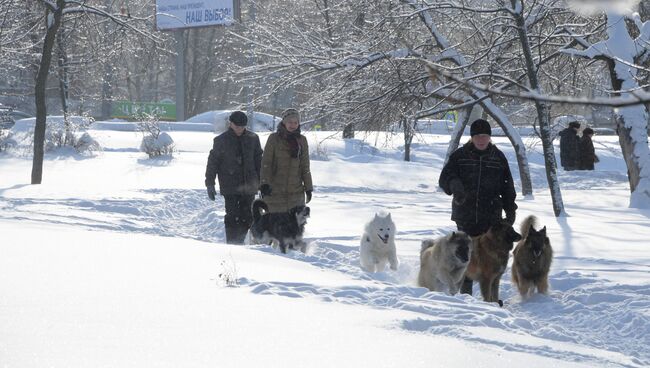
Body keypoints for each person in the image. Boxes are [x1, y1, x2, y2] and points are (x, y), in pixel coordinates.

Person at [438, 118, 517, 295]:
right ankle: (466, 296)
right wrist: (455, 186)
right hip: (465, 213)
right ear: (472, 137)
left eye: (485, 136)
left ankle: (490, 297)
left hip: (491, 216)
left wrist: (510, 209)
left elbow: (507, 187)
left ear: (490, 137)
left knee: (491, 257)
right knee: (467, 256)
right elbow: (444, 179)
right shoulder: (460, 156)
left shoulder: (498, 157)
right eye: (478, 136)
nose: (481, 140)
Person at [205, 111, 263, 244]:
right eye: (237, 126)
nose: (240, 129)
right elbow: (213, 162)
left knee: (248, 216)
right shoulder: (221, 140)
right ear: (230, 124)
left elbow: (259, 161)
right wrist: (210, 183)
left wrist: (262, 183)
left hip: (249, 185)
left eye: (242, 126)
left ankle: (241, 241)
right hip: (230, 186)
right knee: (232, 215)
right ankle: (232, 243)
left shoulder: (253, 138)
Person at [259, 108, 313, 213]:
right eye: (290, 122)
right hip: (274, 191)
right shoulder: (274, 139)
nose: (293, 125)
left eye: (295, 122)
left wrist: (308, 188)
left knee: (293, 228)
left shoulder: (302, 140)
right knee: (275, 226)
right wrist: (264, 184)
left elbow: (305, 166)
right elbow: (266, 164)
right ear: (284, 122)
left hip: (296, 192)